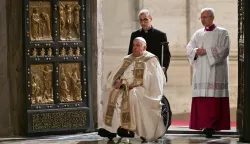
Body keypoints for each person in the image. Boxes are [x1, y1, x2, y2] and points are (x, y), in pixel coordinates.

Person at [98, 37, 170, 142]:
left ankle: (128, 128)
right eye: (134, 45)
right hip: (123, 87)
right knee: (109, 93)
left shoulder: (150, 59)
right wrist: (117, 81)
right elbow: (116, 73)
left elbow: (154, 78)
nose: (135, 48)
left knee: (132, 96)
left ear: (144, 47)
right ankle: (110, 129)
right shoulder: (127, 59)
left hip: (142, 88)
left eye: (138, 45)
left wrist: (136, 84)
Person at [186, 8, 230, 137]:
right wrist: (195, 51)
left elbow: (224, 50)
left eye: (205, 17)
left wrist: (207, 51)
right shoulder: (198, 33)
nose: (203, 20)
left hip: (215, 71)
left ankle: (213, 125)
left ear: (212, 17)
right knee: (203, 100)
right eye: (201, 17)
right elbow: (189, 47)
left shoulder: (222, 32)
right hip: (201, 70)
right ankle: (203, 125)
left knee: (213, 101)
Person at [128, 9, 171, 82]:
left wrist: (164, 67)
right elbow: (130, 53)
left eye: (145, 20)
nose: (143, 22)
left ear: (150, 19)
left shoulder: (160, 35)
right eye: (141, 20)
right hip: (139, 71)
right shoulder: (135, 35)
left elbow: (166, 54)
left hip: (155, 71)